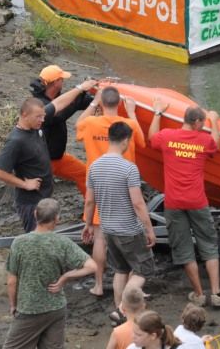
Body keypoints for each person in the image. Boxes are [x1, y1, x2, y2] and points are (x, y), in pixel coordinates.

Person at [148, 101, 220, 308]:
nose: (203, 126)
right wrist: (214, 121)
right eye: (202, 122)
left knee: (183, 248)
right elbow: (216, 144)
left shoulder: (168, 136)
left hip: (174, 203)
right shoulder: (203, 140)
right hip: (197, 201)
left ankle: (199, 295)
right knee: (208, 245)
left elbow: (151, 138)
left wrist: (157, 113)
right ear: (196, 122)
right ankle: (217, 293)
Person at [82, 122, 157, 325]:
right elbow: (138, 203)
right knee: (143, 270)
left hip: (108, 229)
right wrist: (149, 229)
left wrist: (88, 224)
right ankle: (123, 310)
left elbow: (89, 201)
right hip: (129, 231)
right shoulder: (129, 168)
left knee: (121, 271)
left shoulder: (94, 167)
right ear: (125, 140)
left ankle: (119, 312)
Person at [75, 86, 146, 297]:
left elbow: (77, 124)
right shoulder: (128, 126)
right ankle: (131, 286)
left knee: (100, 238)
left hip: (98, 185)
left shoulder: (90, 123)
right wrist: (132, 112)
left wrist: (93, 102)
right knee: (131, 237)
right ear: (120, 104)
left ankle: (98, 285)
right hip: (125, 185)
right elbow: (142, 142)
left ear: (102, 103)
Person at [1, 198, 96, 349]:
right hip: (56, 308)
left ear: (34, 214)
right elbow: (92, 266)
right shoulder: (63, 242)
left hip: (29, 309)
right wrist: (65, 277)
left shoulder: (19, 242)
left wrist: (13, 305)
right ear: (57, 219)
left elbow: (12, 280)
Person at [29, 64, 97, 196]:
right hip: (42, 161)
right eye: (62, 79)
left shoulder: (56, 97)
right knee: (39, 195)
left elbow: (78, 104)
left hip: (57, 158)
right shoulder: (39, 104)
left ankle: (92, 211)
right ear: (55, 82)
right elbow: (60, 115)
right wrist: (80, 91)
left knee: (84, 174)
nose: (64, 81)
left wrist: (93, 96)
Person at [0, 98, 54, 233]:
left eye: (43, 116)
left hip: (44, 198)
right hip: (31, 203)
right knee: (37, 242)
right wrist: (25, 184)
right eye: (38, 116)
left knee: (46, 238)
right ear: (25, 115)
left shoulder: (35, 129)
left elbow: (57, 105)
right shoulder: (16, 141)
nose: (42, 120)